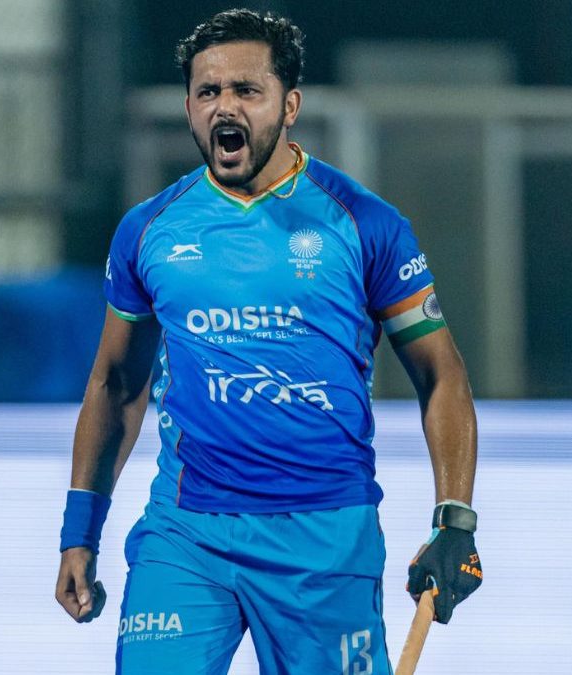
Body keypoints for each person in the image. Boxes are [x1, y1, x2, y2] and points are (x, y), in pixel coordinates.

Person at [55, 8, 482, 673]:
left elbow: (442, 375)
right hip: (186, 535)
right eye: (207, 92)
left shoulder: (365, 223)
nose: (224, 106)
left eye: (246, 91)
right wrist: (79, 533)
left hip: (325, 542)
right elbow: (115, 384)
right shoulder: (148, 230)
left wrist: (454, 519)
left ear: (289, 105)